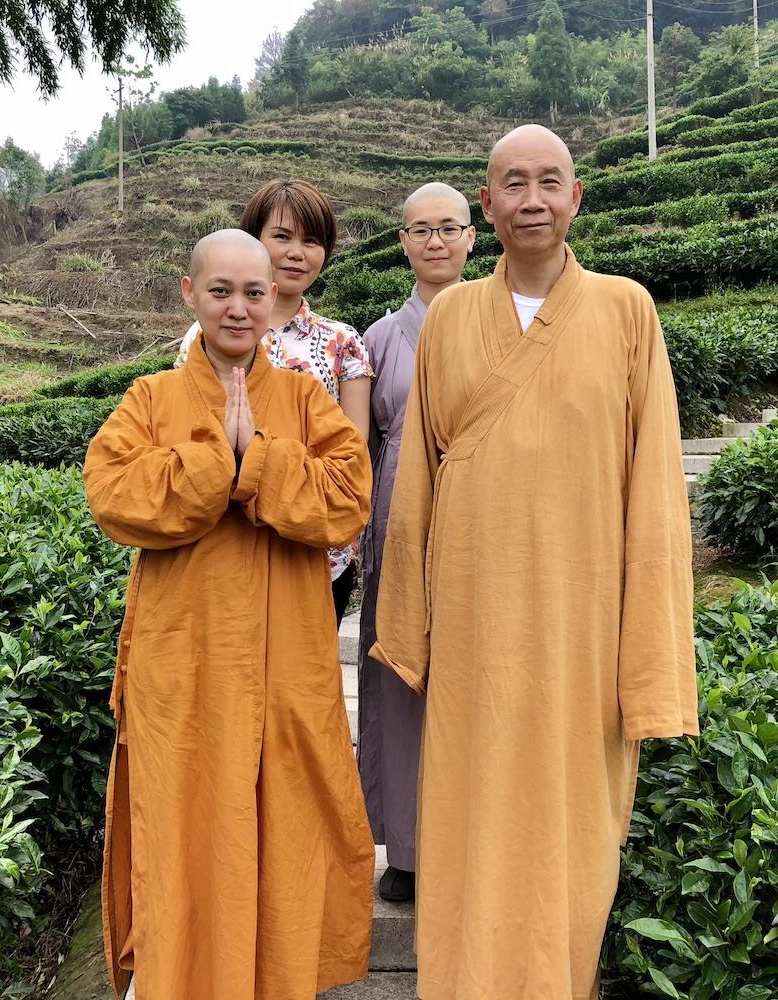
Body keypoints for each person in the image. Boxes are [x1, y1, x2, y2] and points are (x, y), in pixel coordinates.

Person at [370, 125, 699, 999]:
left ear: (576, 196)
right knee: (473, 818)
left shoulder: (628, 309)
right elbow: (417, 497)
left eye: (549, 181)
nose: (532, 200)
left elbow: (656, 485)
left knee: (572, 826)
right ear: (487, 205)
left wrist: (651, 653)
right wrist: (410, 621)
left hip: (581, 622)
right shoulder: (450, 320)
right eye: (512, 184)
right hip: (478, 622)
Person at [84, 229, 374, 1000]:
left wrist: (263, 463)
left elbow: (348, 502)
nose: (239, 308)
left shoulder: (307, 398)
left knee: (287, 817)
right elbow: (114, 496)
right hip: (185, 661)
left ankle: (276, 979)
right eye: (221, 291)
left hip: (287, 657)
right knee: (185, 817)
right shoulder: (150, 397)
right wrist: (225, 462)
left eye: (254, 293)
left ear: (274, 299)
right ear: (190, 295)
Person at [173, 179, 374, 622]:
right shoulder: (200, 339)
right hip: (224, 541)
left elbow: (352, 452)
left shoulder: (341, 341)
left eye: (312, 240)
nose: (296, 252)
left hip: (316, 547)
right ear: (254, 240)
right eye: (282, 236)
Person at [358, 182, 476, 905]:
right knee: (397, 684)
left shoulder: (500, 325)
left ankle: (472, 840)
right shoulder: (375, 338)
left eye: (448, 228)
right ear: (401, 242)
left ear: (472, 237)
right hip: (396, 536)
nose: (435, 241)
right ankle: (405, 847)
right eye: (420, 229)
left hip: (476, 538)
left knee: (473, 686)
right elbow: (359, 446)